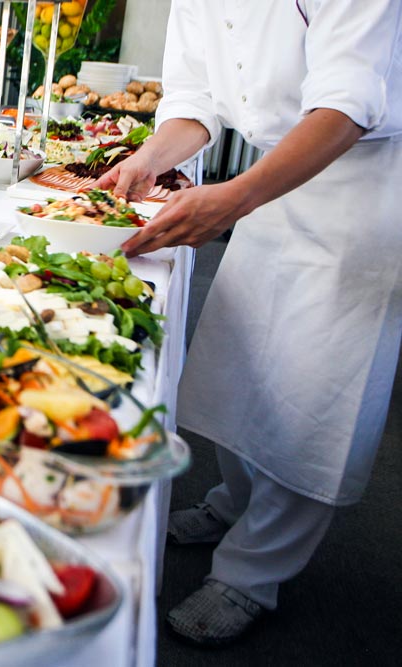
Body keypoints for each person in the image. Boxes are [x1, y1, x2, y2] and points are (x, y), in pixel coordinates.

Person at [94, 0, 402, 647]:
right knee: (242, 361)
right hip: (271, 182)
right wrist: (150, 157)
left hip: (363, 188)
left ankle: (253, 574)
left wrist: (236, 197)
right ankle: (234, 503)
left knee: (315, 396)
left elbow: (347, 104)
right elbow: (194, 98)